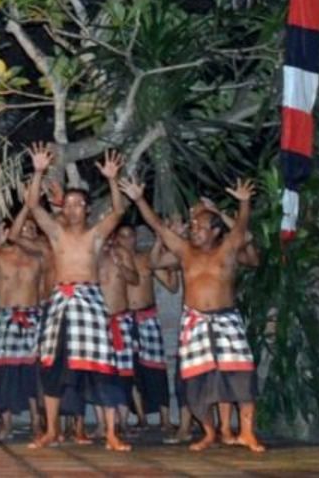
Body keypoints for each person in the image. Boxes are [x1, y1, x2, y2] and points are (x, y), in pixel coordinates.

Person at [121, 177, 264, 452]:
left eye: (200, 226)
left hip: (227, 320)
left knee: (242, 375)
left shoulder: (228, 249)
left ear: (215, 231)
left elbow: (243, 230)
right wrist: (139, 199)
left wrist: (244, 203)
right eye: (193, 226)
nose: (194, 229)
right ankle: (209, 432)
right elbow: (159, 227)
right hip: (195, 321)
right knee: (196, 382)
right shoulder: (185, 251)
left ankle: (247, 432)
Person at [21, 146, 132, 451]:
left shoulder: (96, 234)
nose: (71, 209)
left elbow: (119, 211)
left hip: (89, 301)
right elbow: (32, 205)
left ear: (86, 209)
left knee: (102, 366)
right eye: (67, 204)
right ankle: (52, 431)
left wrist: (112, 179)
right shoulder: (55, 233)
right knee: (52, 368)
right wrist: (39, 170)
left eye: (78, 204)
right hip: (59, 302)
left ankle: (110, 433)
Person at [0, 212, 47, 441]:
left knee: (33, 372)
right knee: (4, 373)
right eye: (25, 227)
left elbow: (42, 289)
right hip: (5, 316)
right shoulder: (1, 254)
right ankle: (6, 424)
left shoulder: (39, 258)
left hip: (31, 315)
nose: (29, 232)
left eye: (33, 228)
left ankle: (37, 423)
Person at [117, 224, 179, 433]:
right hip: (125, 319)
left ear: (136, 238)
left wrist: (172, 265)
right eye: (122, 236)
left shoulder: (146, 260)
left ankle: (165, 419)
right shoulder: (111, 262)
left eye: (130, 236)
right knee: (130, 372)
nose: (127, 241)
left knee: (157, 370)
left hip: (148, 317)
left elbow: (172, 286)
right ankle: (141, 418)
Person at [93, 228, 140, 443]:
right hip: (98, 323)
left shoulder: (121, 253)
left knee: (124, 376)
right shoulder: (90, 255)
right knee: (99, 374)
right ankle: (102, 425)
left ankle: (123, 422)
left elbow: (135, 279)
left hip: (120, 320)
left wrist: (120, 265)